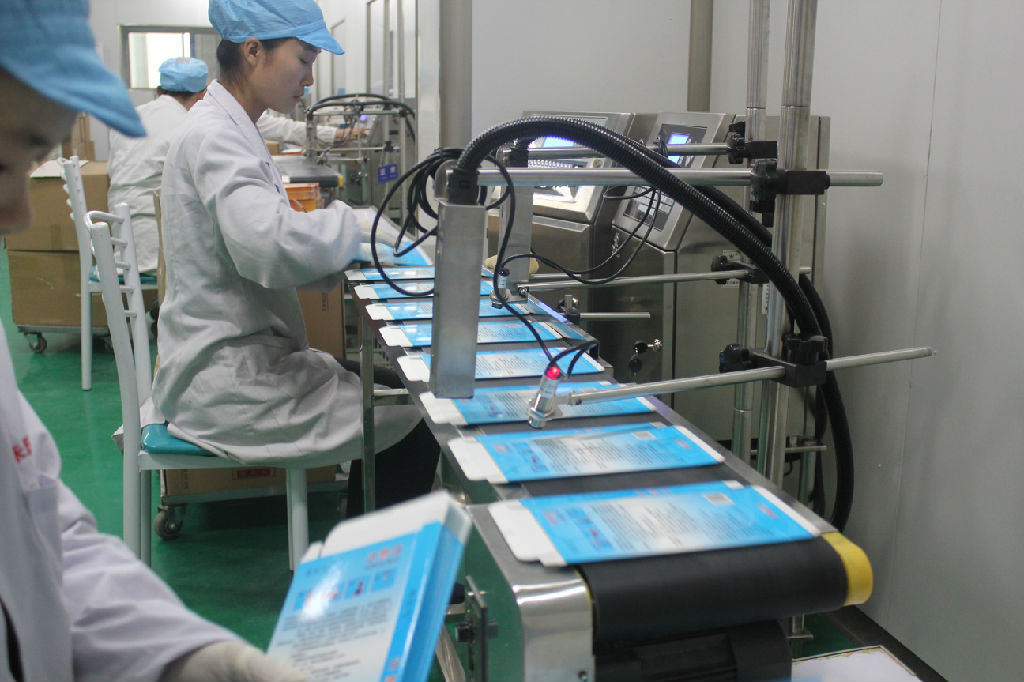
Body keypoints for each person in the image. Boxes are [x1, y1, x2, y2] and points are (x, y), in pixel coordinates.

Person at [0, 1, 306, 680]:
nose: (17, 214)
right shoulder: (199, 127)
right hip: (145, 254)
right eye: (1, 165)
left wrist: (183, 656)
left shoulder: (157, 115)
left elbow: (38, 528)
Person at [153, 0, 437, 511]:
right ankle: (370, 558)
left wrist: (349, 251)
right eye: (303, 59)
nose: (309, 77)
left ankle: (363, 529)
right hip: (229, 379)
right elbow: (267, 246)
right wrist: (353, 226)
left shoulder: (232, 124)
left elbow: (264, 245)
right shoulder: (216, 135)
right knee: (419, 420)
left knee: (398, 386)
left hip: (239, 354)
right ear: (253, 51)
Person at [108, 57, 208, 275]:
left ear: (158, 91)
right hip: (157, 255)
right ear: (202, 96)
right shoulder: (189, 126)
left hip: (120, 246)